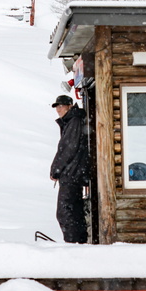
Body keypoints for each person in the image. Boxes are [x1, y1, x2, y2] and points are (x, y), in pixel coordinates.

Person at [49, 94, 89, 243]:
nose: (58, 110)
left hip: (72, 174)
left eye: (61, 106)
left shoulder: (74, 121)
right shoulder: (72, 121)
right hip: (75, 173)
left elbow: (67, 149)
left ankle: (74, 244)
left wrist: (56, 170)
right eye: (57, 107)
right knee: (74, 211)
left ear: (70, 106)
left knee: (65, 212)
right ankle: (78, 242)